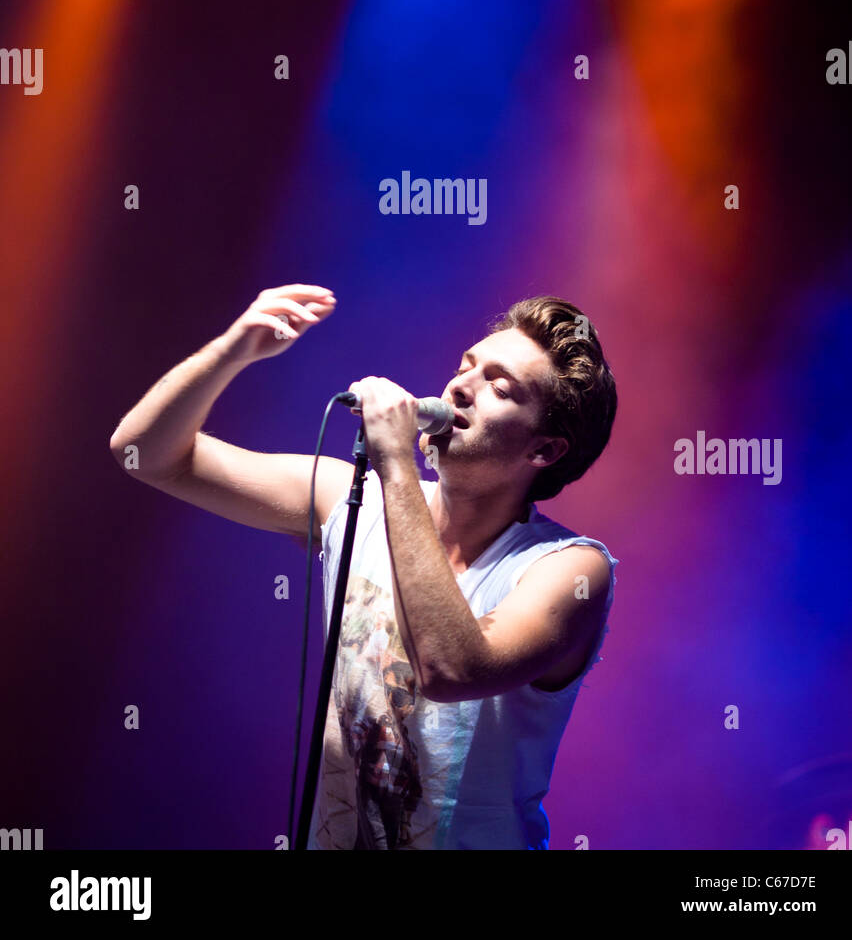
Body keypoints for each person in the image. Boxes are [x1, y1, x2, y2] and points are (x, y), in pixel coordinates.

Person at [109, 283, 619, 850]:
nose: (460, 387)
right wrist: (233, 349)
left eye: (498, 386)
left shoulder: (570, 571)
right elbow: (145, 454)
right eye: (466, 366)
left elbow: (451, 670)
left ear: (544, 451)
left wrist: (396, 461)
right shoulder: (351, 498)